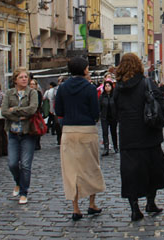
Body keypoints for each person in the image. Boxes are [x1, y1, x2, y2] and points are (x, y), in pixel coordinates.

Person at [114, 53, 164, 221]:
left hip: (128, 136)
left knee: (130, 174)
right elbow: (160, 104)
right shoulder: (146, 83)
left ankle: (134, 209)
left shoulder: (118, 87)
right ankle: (150, 203)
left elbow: (114, 111)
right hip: (148, 134)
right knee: (152, 171)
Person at [55, 57, 105, 221]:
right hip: (87, 129)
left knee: (71, 170)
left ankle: (75, 207)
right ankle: (92, 204)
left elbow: (59, 111)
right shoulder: (90, 88)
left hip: (69, 130)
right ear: (84, 70)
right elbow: (95, 112)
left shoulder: (62, 87)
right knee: (91, 166)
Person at [1, 67, 39, 205]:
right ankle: (18, 182)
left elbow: (32, 109)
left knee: (26, 165)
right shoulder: (9, 93)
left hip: (28, 133)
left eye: (26, 77)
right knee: (12, 163)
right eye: (21, 77)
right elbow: (4, 111)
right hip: (13, 132)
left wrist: (15, 110)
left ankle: (24, 192)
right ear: (15, 80)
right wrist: (20, 115)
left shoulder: (32, 93)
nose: (24, 79)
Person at [99, 80, 118, 156]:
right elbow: (99, 107)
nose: (107, 87)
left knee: (114, 132)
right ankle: (106, 148)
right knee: (105, 133)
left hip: (113, 117)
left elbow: (117, 106)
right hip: (104, 117)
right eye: (106, 86)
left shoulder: (115, 96)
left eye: (109, 86)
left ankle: (115, 147)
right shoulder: (102, 96)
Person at [29, 79, 43, 150]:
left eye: (33, 84)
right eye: (31, 84)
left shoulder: (38, 93)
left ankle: (37, 143)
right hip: (29, 114)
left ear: (36, 85)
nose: (32, 85)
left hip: (36, 113)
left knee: (37, 128)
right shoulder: (28, 93)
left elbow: (39, 104)